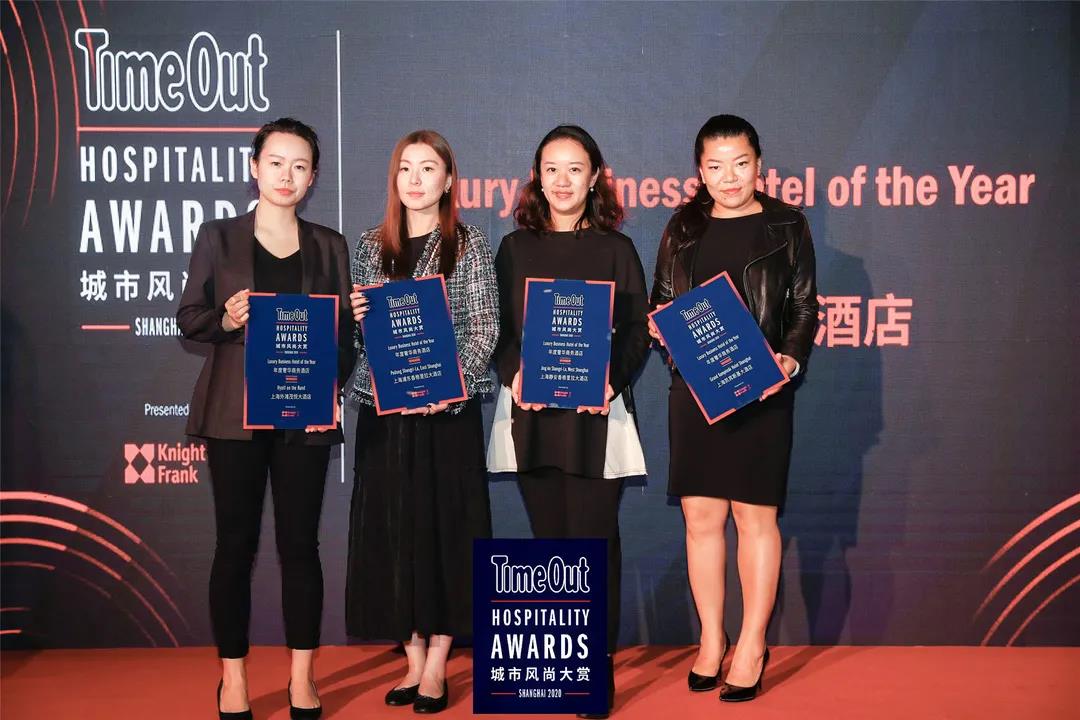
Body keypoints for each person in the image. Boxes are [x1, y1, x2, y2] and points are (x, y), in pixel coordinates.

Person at [177, 118, 355, 720]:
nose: (287, 175)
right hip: (235, 417)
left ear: (312, 177)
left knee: (300, 546)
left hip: (305, 418)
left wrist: (332, 383)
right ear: (255, 168)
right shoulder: (219, 237)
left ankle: (303, 677)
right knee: (235, 546)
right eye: (276, 162)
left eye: (300, 166)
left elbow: (344, 339)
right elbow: (189, 317)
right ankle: (233, 678)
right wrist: (227, 320)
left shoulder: (330, 246)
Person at [650, 114, 818, 702]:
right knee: (700, 519)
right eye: (716, 166)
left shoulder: (787, 224)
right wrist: (661, 327)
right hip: (696, 392)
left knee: (754, 519)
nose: (729, 177)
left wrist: (789, 360)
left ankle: (751, 644)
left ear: (758, 164)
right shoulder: (682, 226)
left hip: (762, 392)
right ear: (700, 171)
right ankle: (711, 640)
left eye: (741, 164)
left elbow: (804, 308)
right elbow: (663, 299)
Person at [488, 125, 650, 719]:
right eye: (551, 169)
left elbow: (636, 332)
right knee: (550, 544)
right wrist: (514, 374)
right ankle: (562, 667)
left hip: (595, 418)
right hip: (532, 415)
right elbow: (498, 330)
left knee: (594, 542)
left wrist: (611, 380)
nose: (562, 181)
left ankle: (595, 671)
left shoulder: (616, 250)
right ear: (537, 177)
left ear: (595, 176)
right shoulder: (514, 248)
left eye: (574, 169)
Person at [345, 130, 498, 715]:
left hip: (446, 417)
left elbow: (484, 328)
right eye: (405, 167)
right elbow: (362, 341)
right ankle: (411, 660)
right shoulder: (370, 246)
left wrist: (446, 388)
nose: (414, 178)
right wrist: (354, 316)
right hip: (385, 415)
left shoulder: (468, 243)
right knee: (394, 533)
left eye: (428, 167)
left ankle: (437, 664)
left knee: (446, 532)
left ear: (448, 179)